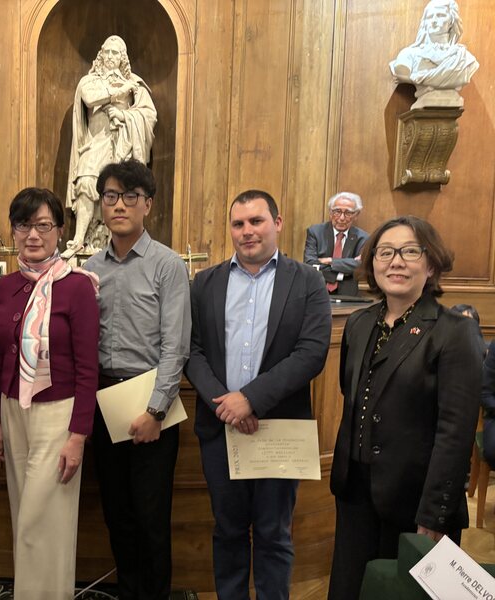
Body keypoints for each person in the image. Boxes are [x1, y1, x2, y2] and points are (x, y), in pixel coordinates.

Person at [185, 190, 331, 600]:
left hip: (280, 429)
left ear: (277, 223)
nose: (247, 231)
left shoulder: (308, 281)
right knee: (228, 530)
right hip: (220, 428)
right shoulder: (205, 282)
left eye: (256, 221)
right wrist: (226, 404)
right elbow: (191, 351)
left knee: (273, 533)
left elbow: (312, 353)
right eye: (238, 223)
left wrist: (249, 399)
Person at [328, 216, 482, 599]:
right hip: (355, 492)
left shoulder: (453, 331)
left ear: (430, 265)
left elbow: (455, 432)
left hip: (416, 502)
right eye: (385, 252)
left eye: (410, 251)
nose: (396, 261)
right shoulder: (359, 324)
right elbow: (352, 393)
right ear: (372, 263)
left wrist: (435, 515)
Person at [84, 159, 190, 600]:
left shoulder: (167, 264)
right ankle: (129, 592)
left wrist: (155, 410)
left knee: (151, 517)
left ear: (147, 204)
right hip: (103, 398)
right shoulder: (91, 265)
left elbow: (176, 345)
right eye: (110, 196)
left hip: (150, 399)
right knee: (117, 512)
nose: (119, 205)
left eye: (130, 196)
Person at [0, 188, 99, 600]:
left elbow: (89, 368)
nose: (33, 235)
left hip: (58, 414)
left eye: (43, 225)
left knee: (44, 519)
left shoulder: (78, 287)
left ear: (60, 231)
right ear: (13, 231)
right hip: (13, 410)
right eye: (23, 225)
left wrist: (77, 435)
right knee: (24, 515)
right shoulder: (6, 286)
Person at [66, 35, 157, 252]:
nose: (109, 56)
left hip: (121, 147)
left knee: (121, 191)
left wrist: (125, 116)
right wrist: (119, 92)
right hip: (95, 144)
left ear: (122, 58)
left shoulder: (135, 84)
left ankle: (116, 243)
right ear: (100, 54)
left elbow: (148, 115)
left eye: (115, 53)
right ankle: (79, 240)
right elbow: (89, 98)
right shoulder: (90, 81)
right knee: (86, 181)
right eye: (106, 51)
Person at [389, 0, 478, 100]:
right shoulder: (408, 55)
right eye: (430, 16)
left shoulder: (464, 58)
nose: (434, 21)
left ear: (451, 21)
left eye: (440, 15)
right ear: (424, 22)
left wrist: (413, 78)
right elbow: (401, 71)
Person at [303, 191, 368, 296]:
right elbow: (310, 264)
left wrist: (330, 261)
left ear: (356, 215)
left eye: (348, 213)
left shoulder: (363, 238)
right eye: (337, 211)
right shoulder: (315, 232)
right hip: (316, 290)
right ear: (330, 212)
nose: (342, 218)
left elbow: (361, 266)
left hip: (348, 295)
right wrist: (343, 272)